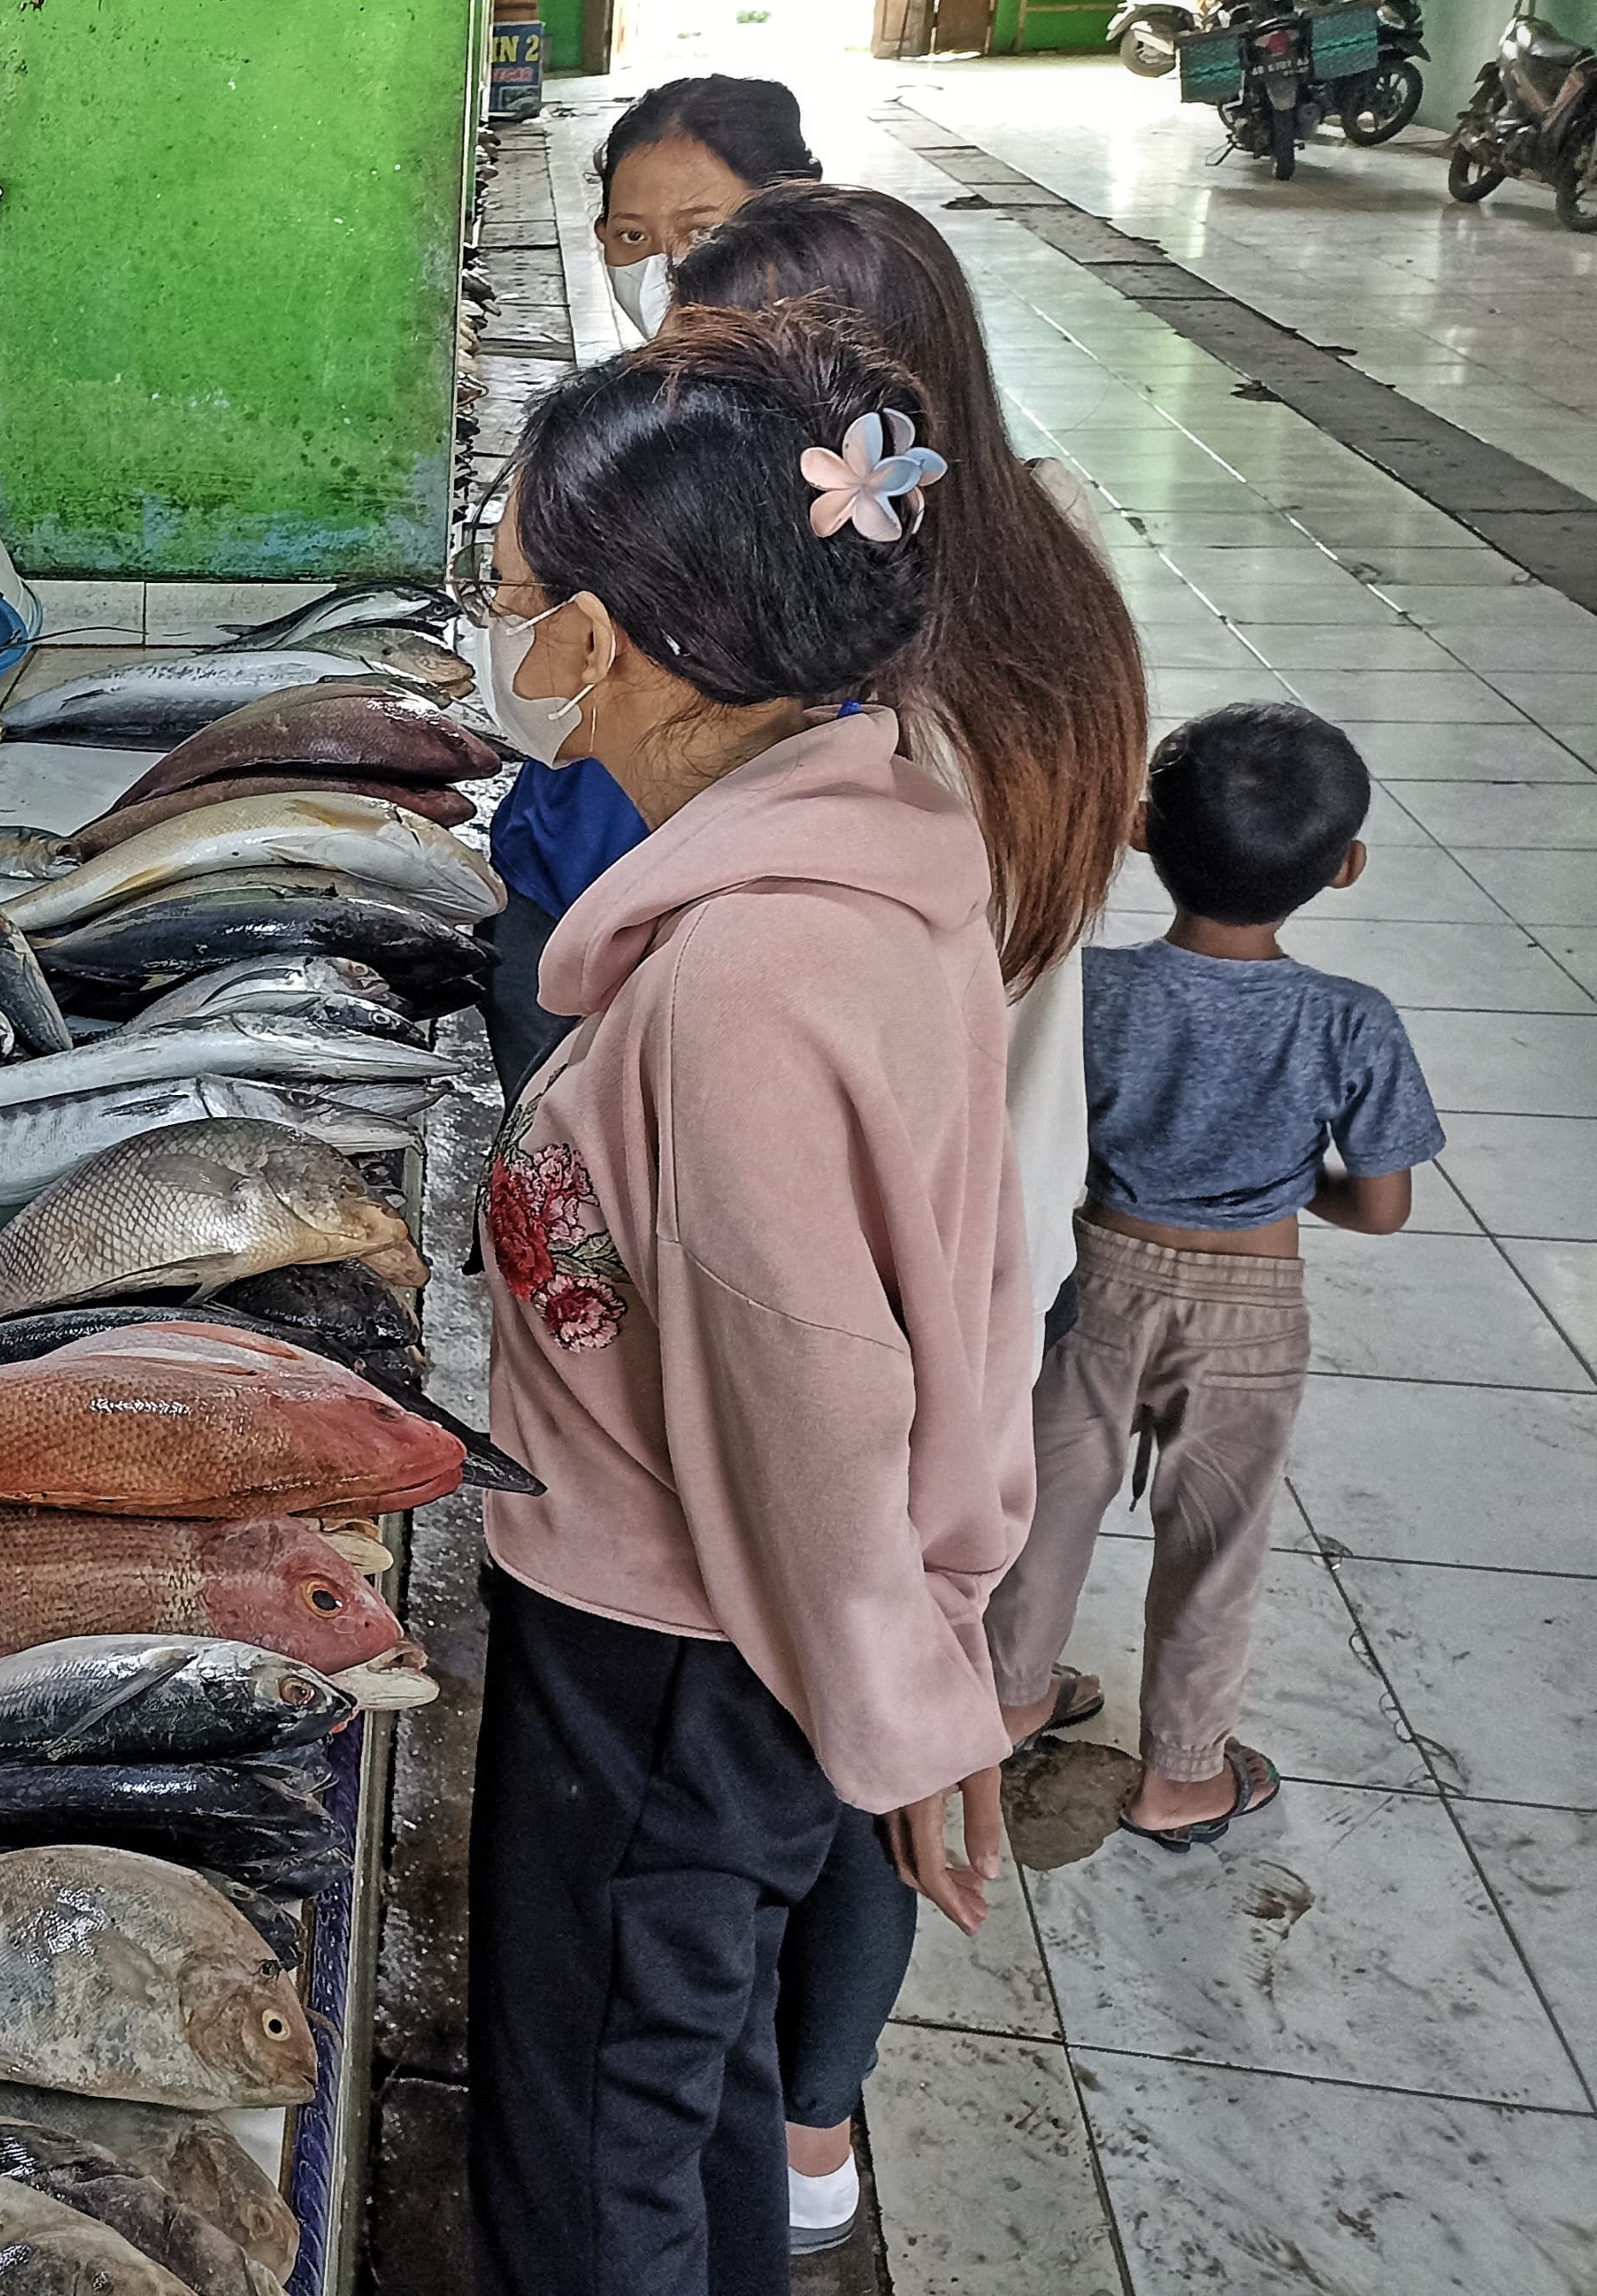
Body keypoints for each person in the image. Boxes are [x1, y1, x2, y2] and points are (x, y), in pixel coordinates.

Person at [461, 301, 1033, 2296]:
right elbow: (968, 1262)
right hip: (732, 1635)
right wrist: (930, 1621)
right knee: (676, 2077)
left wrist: (908, 1685)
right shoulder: (886, 839)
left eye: (516, 586)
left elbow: (813, 1393)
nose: (510, 629)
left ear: (604, 641)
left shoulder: (732, 989)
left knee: (581, 2131)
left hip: (673, 1649)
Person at [668, 183, 1149, 2254]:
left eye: (700, 384)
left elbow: (821, 1090)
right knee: (883, 1703)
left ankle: (785, 2133)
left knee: (856, 1719)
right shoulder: (1047, 581)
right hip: (994, 1247)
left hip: (874, 1279)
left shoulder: (888, 722)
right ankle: (811, 2122)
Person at [986, 704, 1439, 1847]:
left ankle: (1008, 1695)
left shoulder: (1086, 987)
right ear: (1345, 867)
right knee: (1215, 1548)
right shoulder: (1351, 1022)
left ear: (1140, 829)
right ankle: (1183, 1773)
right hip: (1252, 1310)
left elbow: (1038, 1134)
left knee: (1046, 1505)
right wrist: (1292, 1189)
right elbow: (1383, 1207)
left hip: (1093, 1281)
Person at [480, 77, 822, 1106]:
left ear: (787, 209)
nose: (666, 263)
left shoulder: (840, 465)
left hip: (715, 908)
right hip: (562, 877)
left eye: (699, 229)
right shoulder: (614, 418)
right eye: (628, 236)